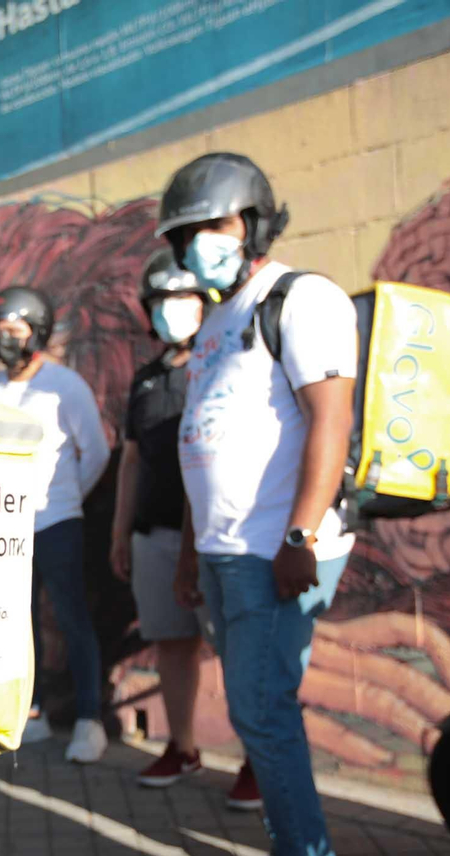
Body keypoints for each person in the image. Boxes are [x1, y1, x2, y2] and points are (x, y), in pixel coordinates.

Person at [157, 152, 359, 856]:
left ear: (254, 222)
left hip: (276, 548)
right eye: (185, 234)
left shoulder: (302, 299)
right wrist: (189, 551)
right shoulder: (214, 322)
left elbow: (331, 420)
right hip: (223, 550)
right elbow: (199, 442)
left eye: (212, 225)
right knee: (259, 716)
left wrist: (300, 535)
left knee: (263, 713)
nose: (197, 245)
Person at [112, 248, 260, 810]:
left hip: (217, 535)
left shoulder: (222, 362)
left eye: (183, 297)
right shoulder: (147, 379)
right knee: (172, 644)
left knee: (236, 650)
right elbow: (131, 460)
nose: (172, 309)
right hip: (154, 537)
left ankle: (258, 761)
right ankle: (182, 747)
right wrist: (120, 533)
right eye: (162, 300)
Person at [0, 287, 110, 762]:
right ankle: (31, 714)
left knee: (72, 618)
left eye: (14, 330)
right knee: (20, 623)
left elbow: (96, 452)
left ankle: (89, 721)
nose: (4, 340)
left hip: (58, 523)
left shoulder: (64, 386)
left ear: (38, 332)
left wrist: (67, 500)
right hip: (7, 531)